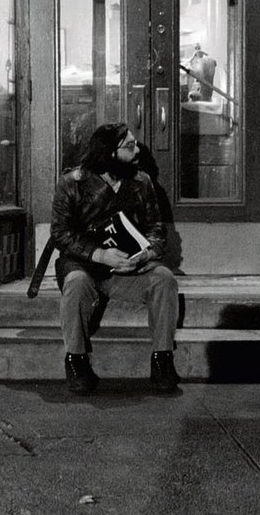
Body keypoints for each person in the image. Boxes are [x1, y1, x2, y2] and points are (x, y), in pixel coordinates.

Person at [51, 122, 180, 395]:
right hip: (85, 266)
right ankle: (76, 362)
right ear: (110, 153)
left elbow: (156, 229)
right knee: (75, 283)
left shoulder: (142, 182)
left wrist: (146, 253)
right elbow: (61, 234)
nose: (137, 151)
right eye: (129, 146)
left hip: (129, 269)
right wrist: (100, 255)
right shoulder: (72, 183)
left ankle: (162, 360)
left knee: (164, 279)